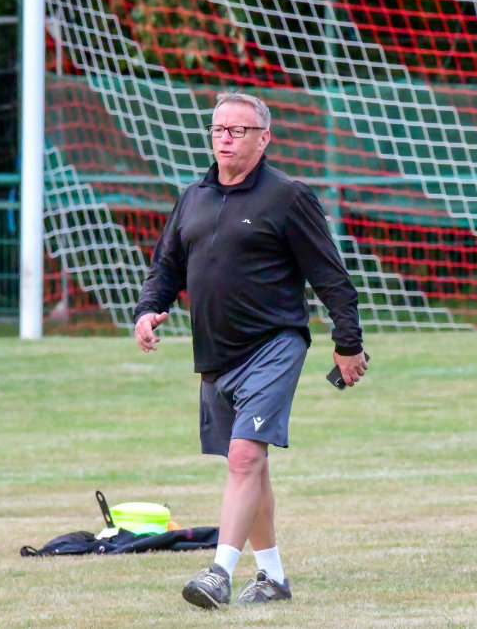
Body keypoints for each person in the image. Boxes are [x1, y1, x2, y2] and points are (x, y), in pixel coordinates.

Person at [133, 92, 368, 609]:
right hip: (216, 356)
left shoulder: (288, 196)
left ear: (264, 139)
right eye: (218, 128)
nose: (225, 138)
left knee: (244, 456)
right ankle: (273, 578)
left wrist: (347, 343)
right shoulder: (192, 196)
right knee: (250, 466)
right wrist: (148, 309)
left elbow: (330, 276)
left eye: (238, 131)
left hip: (274, 345)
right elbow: (166, 267)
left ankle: (219, 573)